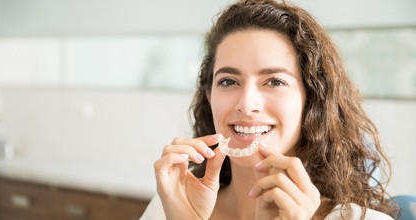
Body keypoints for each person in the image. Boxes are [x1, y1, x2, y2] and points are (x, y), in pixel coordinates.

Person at [141, 0, 399, 219]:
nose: (246, 104)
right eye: (228, 81)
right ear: (209, 96)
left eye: (274, 81)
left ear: (312, 99)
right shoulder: (170, 206)